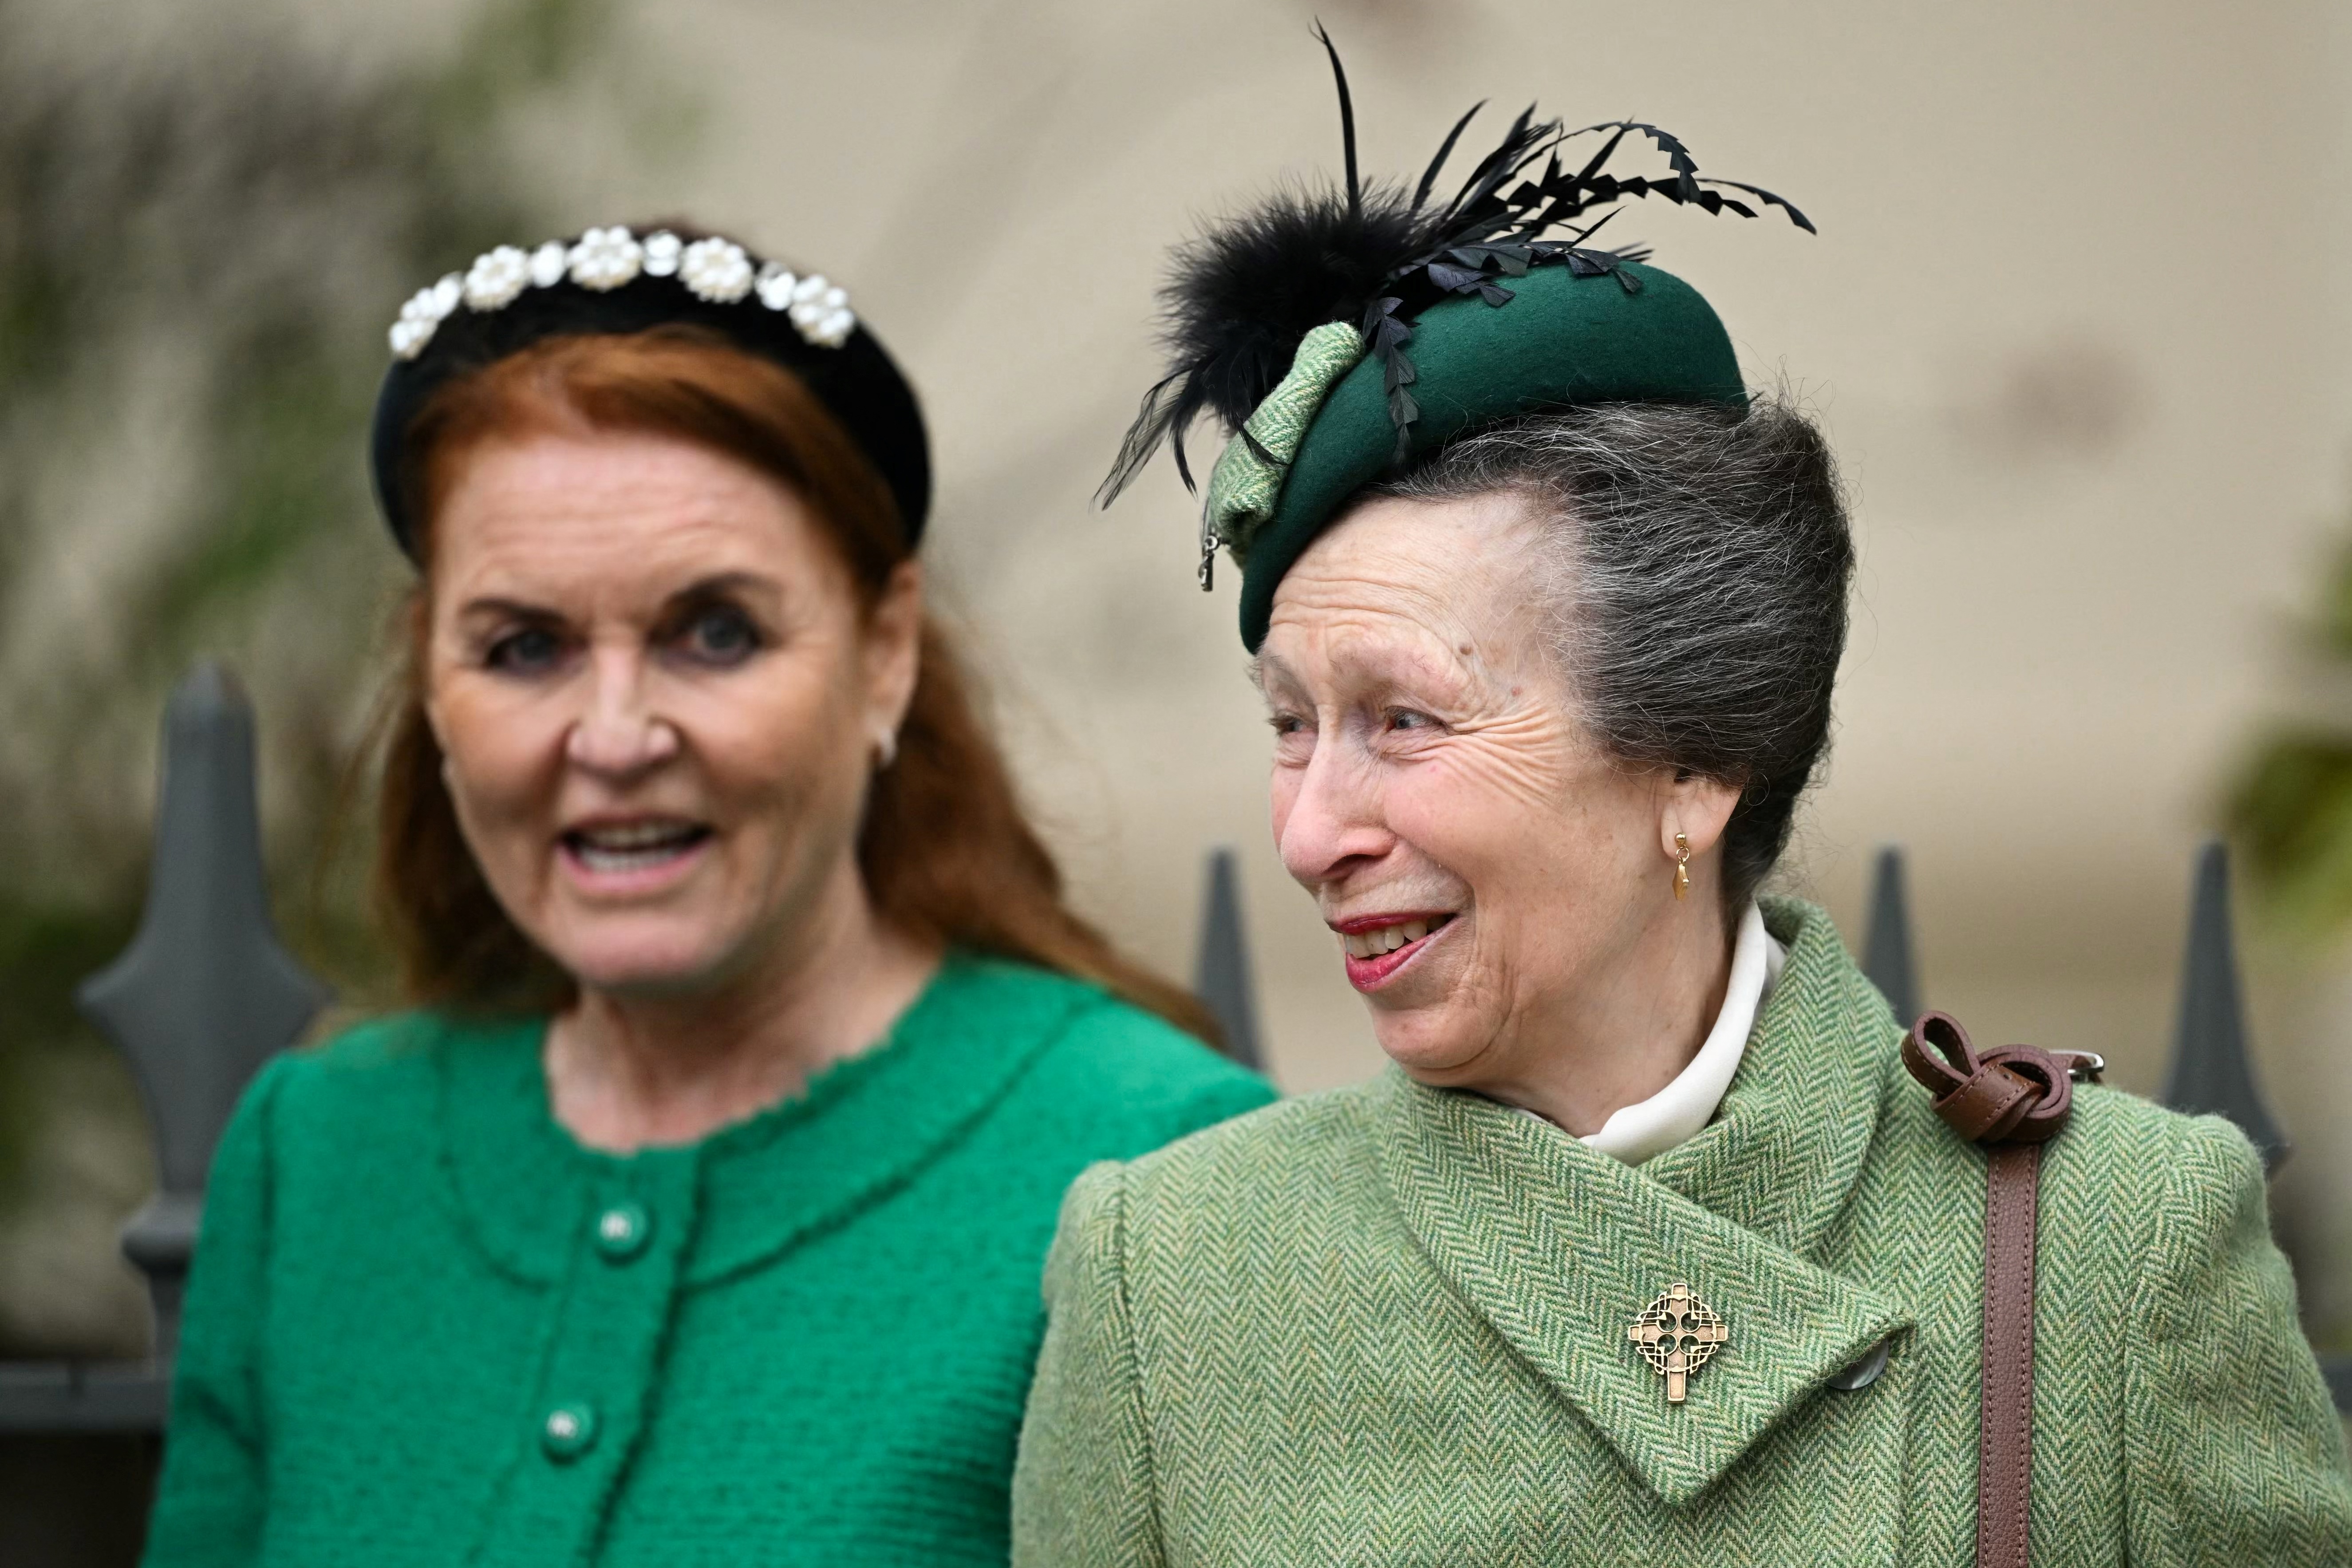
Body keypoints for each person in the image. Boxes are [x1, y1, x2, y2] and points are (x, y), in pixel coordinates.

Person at [1013, 47, 2352, 1567]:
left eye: (1402, 719)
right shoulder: (1173, 1282)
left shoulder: (2118, 1252)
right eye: (1289, 726)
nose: (1312, 831)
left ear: (1695, 763)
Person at [141, 222, 1273, 1568]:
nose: (613, 737)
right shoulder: (319, 1155)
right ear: (432, 686)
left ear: (885, 653)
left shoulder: (1161, 1173)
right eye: (524, 647)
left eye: (714, 633)